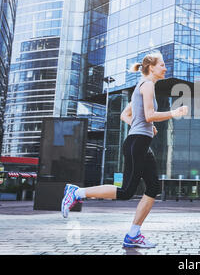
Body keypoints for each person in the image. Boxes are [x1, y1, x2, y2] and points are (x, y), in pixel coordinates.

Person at [61, 51, 188, 248]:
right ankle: (77, 193)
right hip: (137, 144)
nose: (165, 67)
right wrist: (174, 112)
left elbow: (124, 115)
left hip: (141, 143)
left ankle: (133, 235)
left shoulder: (143, 86)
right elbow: (149, 115)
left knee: (153, 187)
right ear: (151, 67)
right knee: (127, 191)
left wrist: (142, 125)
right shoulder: (146, 85)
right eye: (162, 64)